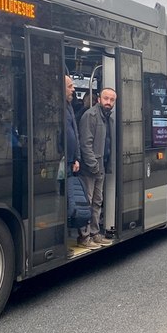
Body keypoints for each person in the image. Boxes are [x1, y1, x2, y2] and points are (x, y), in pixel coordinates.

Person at [77, 87, 117, 249]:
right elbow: (85, 144)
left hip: (101, 167)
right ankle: (84, 236)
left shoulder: (109, 118)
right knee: (86, 202)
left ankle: (94, 233)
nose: (108, 102)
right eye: (105, 98)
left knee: (97, 202)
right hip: (90, 168)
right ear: (99, 99)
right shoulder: (90, 116)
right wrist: (93, 165)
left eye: (112, 100)